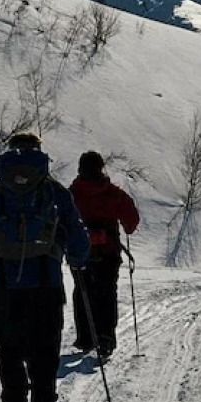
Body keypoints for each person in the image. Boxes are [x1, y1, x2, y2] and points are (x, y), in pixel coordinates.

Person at [0, 133, 89, 402]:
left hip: (4, 290)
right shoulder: (54, 192)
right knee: (44, 356)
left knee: (9, 354)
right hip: (46, 289)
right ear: (39, 153)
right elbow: (77, 237)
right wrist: (77, 259)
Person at [68, 150, 140, 362]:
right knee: (106, 293)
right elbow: (131, 221)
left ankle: (85, 338)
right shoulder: (113, 193)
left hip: (79, 253)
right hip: (108, 252)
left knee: (82, 292)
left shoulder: (72, 194)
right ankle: (105, 338)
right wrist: (125, 227)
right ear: (101, 168)